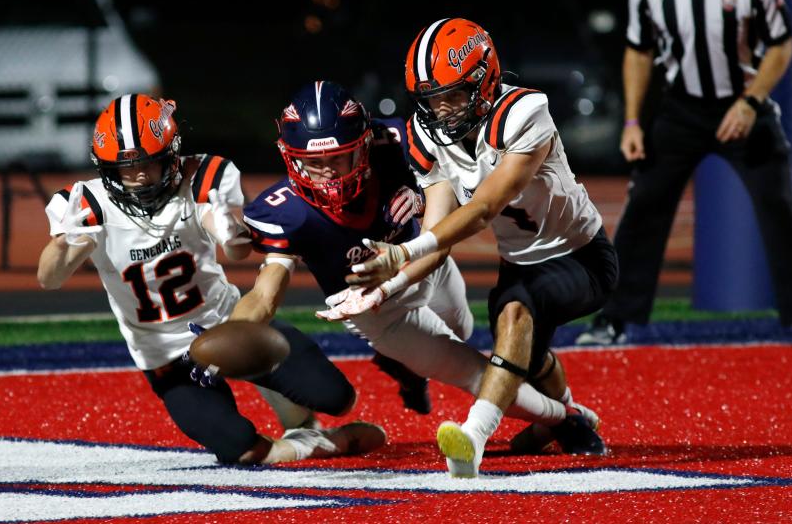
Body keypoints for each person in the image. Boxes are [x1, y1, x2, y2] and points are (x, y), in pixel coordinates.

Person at [37, 93, 385, 465]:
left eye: (149, 164)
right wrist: (62, 246)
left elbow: (233, 248)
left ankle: (291, 409)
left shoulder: (198, 177)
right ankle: (315, 441)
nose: (138, 176)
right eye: (125, 168)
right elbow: (49, 279)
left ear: (171, 155)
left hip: (231, 326)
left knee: (337, 397)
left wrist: (231, 231)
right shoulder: (87, 205)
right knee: (242, 449)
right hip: (167, 357)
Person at [236, 80, 585, 448]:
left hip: (425, 264)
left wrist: (424, 196)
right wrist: (227, 337)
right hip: (379, 309)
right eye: (314, 163)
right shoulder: (285, 211)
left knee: (463, 326)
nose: (328, 174)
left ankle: (406, 370)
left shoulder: (399, 141)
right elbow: (264, 294)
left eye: (338, 157)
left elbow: (460, 180)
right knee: (477, 373)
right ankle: (567, 419)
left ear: (365, 144)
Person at [349, 19, 618, 477]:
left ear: (485, 79)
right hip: (520, 265)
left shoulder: (525, 110)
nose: (442, 110)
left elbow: (485, 208)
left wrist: (403, 253)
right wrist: (385, 285)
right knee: (525, 359)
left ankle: (472, 438)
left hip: (579, 255)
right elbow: (436, 236)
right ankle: (571, 420)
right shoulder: (427, 133)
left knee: (517, 315)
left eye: (452, 94)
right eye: (431, 99)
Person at [575, 0, 792, 348]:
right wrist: (634, 122)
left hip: (743, 105)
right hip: (681, 110)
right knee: (644, 207)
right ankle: (614, 320)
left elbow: (781, 43)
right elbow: (638, 54)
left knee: (780, 205)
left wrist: (751, 101)